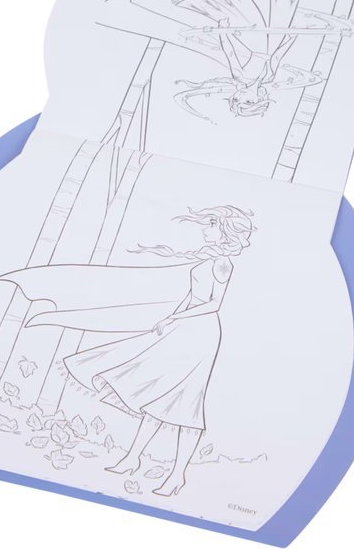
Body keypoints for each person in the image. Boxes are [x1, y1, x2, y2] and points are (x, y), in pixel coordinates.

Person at [62, 205, 254, 496]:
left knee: (187, 403)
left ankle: (177, 475)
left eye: (212, 224)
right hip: (183, 327)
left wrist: (177, 317)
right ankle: (132, 458)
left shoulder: (223, 263)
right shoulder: (209, 259)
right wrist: (170, 318)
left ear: (226, 231)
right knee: (158, 394)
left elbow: (214, 304)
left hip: (201, 332)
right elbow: (192, 295)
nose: (206, 228)